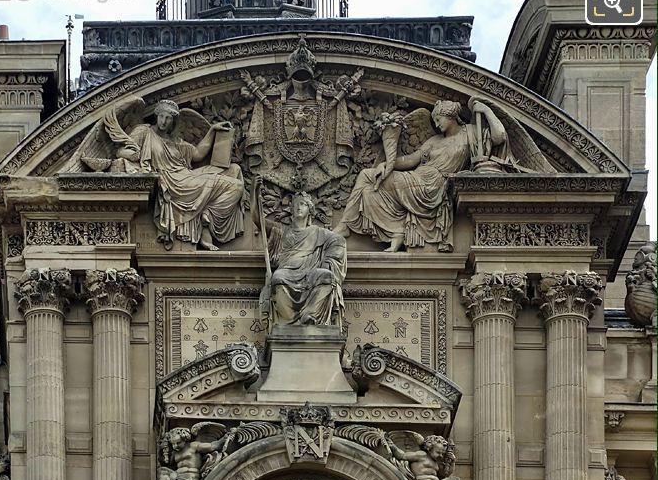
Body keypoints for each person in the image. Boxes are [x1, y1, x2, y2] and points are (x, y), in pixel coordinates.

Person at [335, 100, 505, 252]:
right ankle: (393, 231)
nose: (436, 125)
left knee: (368, 178)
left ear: (450, 115)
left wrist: (485, 110)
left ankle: (347, 225)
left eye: (438, 120)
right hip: (418, 178)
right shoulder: (434, 141)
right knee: (369, 185)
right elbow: (411, 160)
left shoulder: (471, 133)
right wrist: (387, 164)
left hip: (433, 185)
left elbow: (499, 137)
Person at [118, 99, 245, 250]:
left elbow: (197, 154)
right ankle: (207, 221)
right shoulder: (144, 132)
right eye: (161, 116)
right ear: (156, 115)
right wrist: (133, 155)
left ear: (173, 121)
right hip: (173, 181)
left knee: (234, 170)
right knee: (236, 186)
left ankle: (205, 214)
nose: (164, 121)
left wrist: (212, 130)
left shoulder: (176, 141)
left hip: (185, 176)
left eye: (168, 118)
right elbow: (119, 151)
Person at [251, 175, 347, 328]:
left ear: (310, 210)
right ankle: (289, 321)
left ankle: (309, 315)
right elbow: (257, 219)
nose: (298, 207)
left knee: (326, 277)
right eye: (295, 205)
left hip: (310, 273)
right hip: (288, 271)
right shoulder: (281, 230)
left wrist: (328, 262)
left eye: (302, 204)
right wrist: (253, 192)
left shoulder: (318, 232)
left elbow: (339, 241)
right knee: (278, 277)